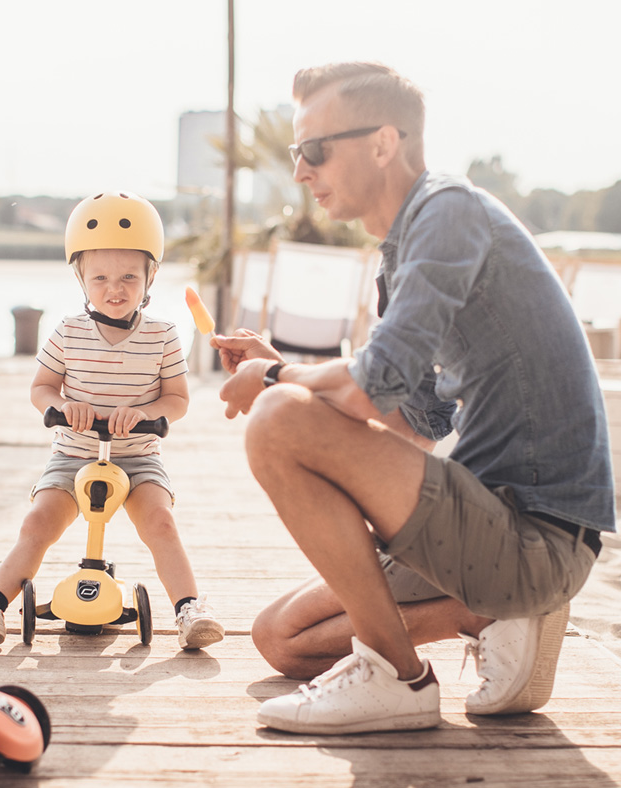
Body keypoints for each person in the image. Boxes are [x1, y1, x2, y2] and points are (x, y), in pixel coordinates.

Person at [213, 62, 615, 735]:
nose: (300, 172)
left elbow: (370, 386)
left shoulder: (448, 210)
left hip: (537, 533)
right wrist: (284, 370)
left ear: (382, 143)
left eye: (313, 149)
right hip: (480, 518)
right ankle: (479, 616)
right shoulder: (400, 254)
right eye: (296, 153)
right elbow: (411, 425)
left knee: (277, 417)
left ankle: (398, 680)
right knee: (281, 640)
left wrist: (280, 385)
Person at [0, 190, 224, 650]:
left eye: (128, 276)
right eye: (100, 277)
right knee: (39, 522)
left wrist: (146, 413)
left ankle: (189, 608)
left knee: (160, 522)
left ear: (151, 276)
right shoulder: (68, 331)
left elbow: (177, 399)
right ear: (81, 278)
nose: (114, 289)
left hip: (138, 457)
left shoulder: (162, 335)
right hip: (73, 451)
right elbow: (41, 387)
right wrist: (64, 407)